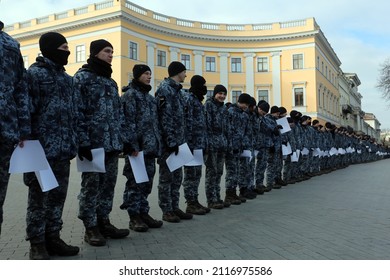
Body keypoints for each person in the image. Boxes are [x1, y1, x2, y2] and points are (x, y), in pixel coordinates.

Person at [24, 32, 79, 259]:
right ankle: (37, 242)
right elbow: (27, 110)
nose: (67, 51)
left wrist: (74, 141)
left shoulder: (68, 79)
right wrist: (27, 142)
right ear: (50, 48)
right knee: (38, 197)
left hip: (63, 150)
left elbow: (73, 114)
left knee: (58, 196)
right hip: (40, 150)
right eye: (63, 47)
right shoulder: (34, 75)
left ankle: (53, 237)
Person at [74, 39, 129, 246]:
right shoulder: (82, 78)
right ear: (95, 53)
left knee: (108, 186)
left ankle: (103, 221)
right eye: (107, 51)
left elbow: (118, 113)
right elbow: (77, 112)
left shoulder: (110, 81)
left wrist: (121, 138)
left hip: (112, 145)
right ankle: (90, 227)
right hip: (93, 145)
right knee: (91, 187)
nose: (110, 54)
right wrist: (82, 141)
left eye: (112, 51)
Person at [120, 64, 163, 232]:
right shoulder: (130, 95)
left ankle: (144, 212)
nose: (149, 76)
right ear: (137, 75)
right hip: (137, 149)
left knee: (146, 183)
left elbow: (155, 124)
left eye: (150, 74)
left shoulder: (150, 99)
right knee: (135, 182)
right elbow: (127, 122)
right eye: (146, 73)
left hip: (150, 148)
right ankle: (134, 216)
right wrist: (130, 144)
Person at [0, 21, 31, 237]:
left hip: (5, 131)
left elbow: (20, 88)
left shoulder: (11, 44)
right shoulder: (10, 44)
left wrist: (23, 129)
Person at [155, 61, 193, 223]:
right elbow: (165, 118)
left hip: (179, 142)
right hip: (169, 143)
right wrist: (170, 141)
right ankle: (166, 209)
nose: (186, 75)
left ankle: (175, 206)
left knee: (177, 177)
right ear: (178, 72)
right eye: (184, 72)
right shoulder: (165, 89)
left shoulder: (178, 91)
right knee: (166, 178)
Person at [182, 75, 209, 215]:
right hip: (191, 145)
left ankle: (195, 200)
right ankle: (190, 203)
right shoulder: (189, 99)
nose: (205, 87)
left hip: (198, 145)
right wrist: (188, 144)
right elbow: (187, 123)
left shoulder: (198, 101)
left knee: (197, 174)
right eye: (203, 85)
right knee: (190, 175)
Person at [204, 85, 229, 209]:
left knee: (219, 172)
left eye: (224, 94)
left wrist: (227, 142)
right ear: (214, 94)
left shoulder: (224, 108)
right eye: (220, 93)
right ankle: (211, 199)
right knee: (211, 172)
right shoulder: (208, 105)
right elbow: (207, 126)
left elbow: (226, 128)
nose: (222, 96)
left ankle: (217, 197)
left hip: (222, 145)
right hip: (212, 144)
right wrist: (207, 143)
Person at [224, 93, 252, 205]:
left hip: (240, 148)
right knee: (231, 171)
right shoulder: (230, 112)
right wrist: (231, 145)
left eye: (247, 104)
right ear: (239, 101)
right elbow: (227, 130)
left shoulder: (244, 115)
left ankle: (233, 193)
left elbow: (246, 132)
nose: (245, 106)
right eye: (244, 103)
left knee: (236, 171)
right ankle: (229, 194)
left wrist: (245, 145)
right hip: (231, 148)